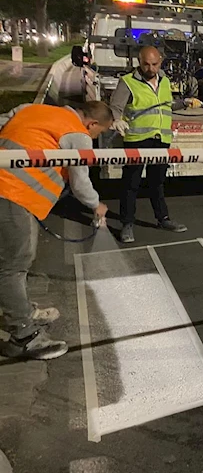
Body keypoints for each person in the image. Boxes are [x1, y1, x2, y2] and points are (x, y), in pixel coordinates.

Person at [0, 101, 112, 360]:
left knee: (13, 262)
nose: (94, 138)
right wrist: (97, 205)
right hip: (15, 195)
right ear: (91, 124)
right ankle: (24, 337)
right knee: (13, 266)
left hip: (10, 191)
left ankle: (21, 311)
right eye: (98, 133)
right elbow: (80, 181)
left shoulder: (32, 108)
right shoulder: (79, 134)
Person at [110, 46, 202, 243]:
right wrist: (117, 119)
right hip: (137, 139)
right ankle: (127, 224)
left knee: (157, 182)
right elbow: (116, 106)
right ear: (139, 62)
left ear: (160, 61)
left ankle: (163, 219)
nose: (151, 68)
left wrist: (184, 102)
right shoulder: (127, 82)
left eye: (155, 64)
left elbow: (165, 106)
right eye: (146, 64)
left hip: (161, 139)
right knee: (131, 183)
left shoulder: (165, 81)